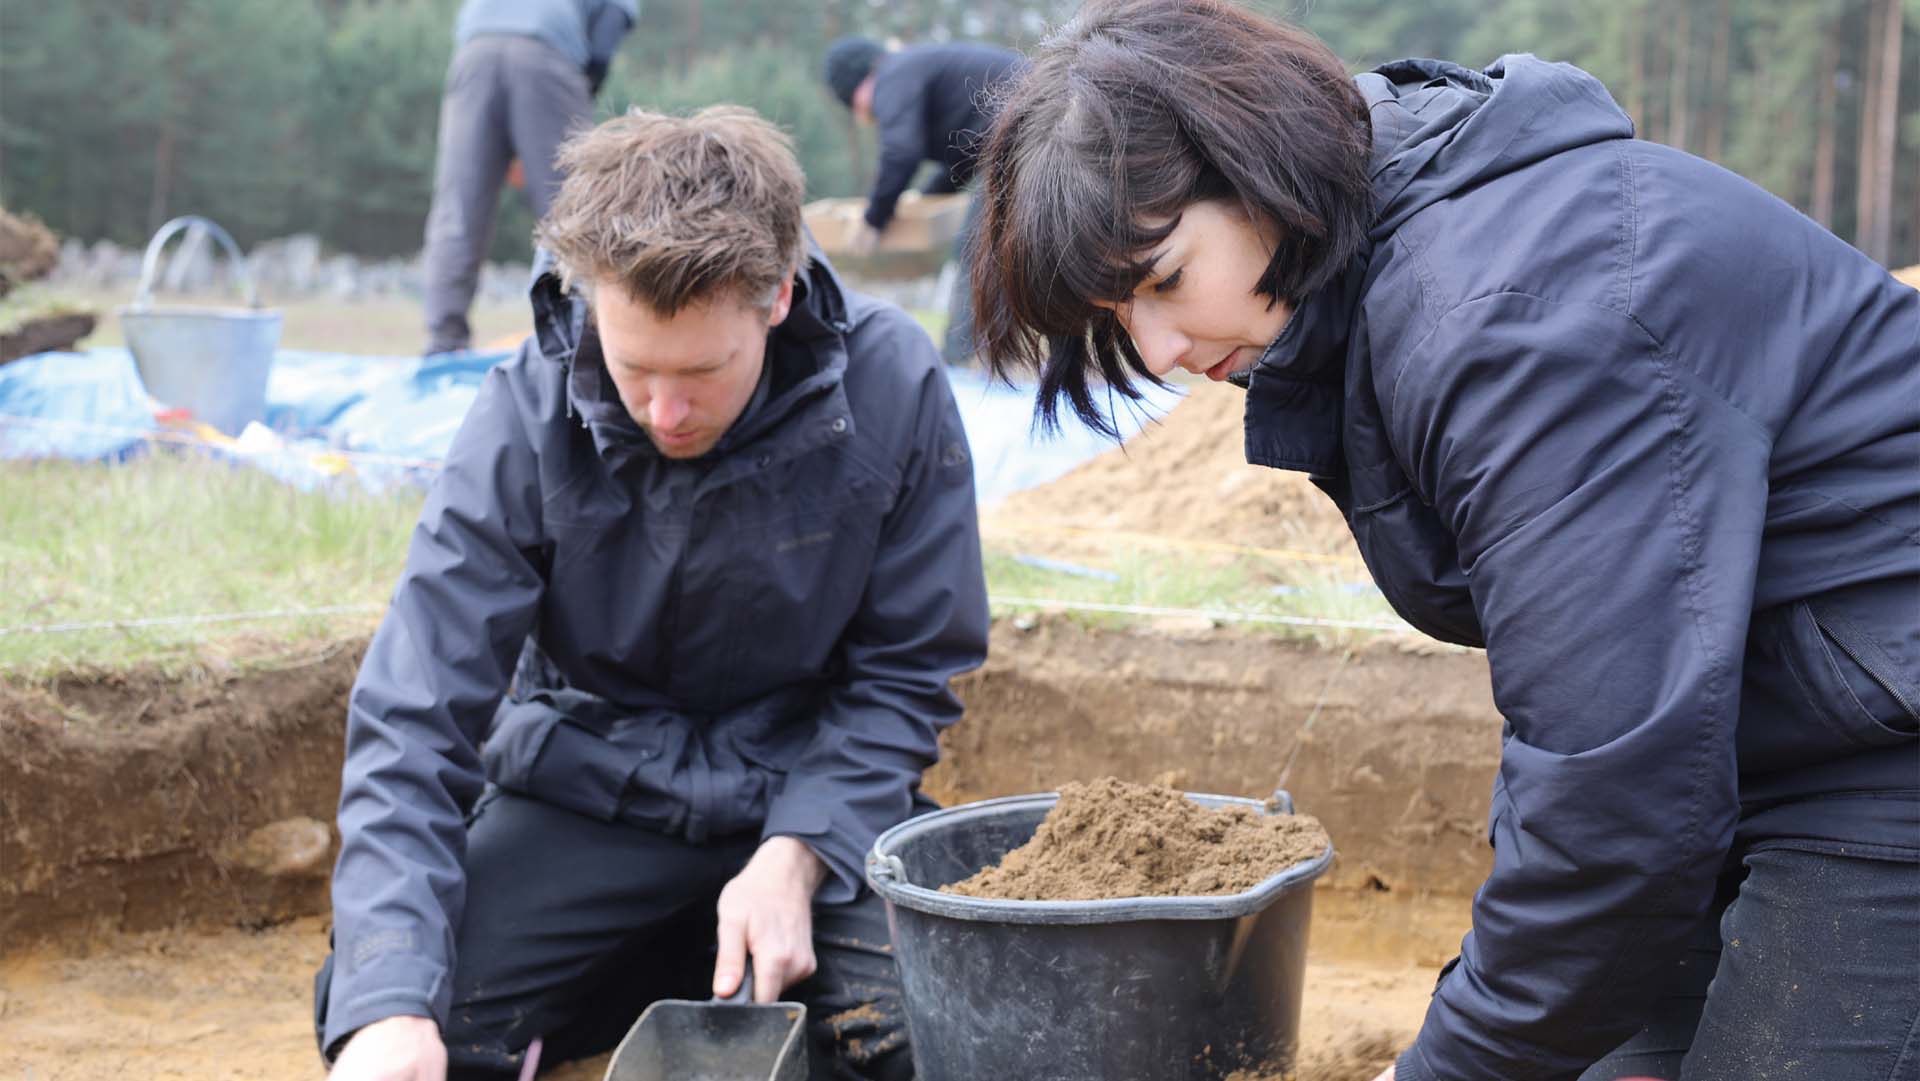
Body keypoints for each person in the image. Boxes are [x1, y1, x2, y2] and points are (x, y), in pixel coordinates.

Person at [967, 2, 1920, 1080]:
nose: (1160, 348)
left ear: (1261, 166)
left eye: (1167, 280)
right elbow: (1587, 705)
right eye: (1116, 315)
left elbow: (1614, 791)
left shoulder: (1512, 316)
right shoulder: (1385, 291)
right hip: (1766, 733)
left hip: (1888, 736)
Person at [317, 105, 989, 1081]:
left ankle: (735, 970)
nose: (666, 412)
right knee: (415, 1019)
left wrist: (801, 850)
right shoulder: (524, 408)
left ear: (777, 299)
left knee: (944, 1029)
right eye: (635, 368)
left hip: (808, 796)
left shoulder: (892, 385)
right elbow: (416, 712)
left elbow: (906, 669)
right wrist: (387, 1002)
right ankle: (649, 977)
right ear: (590, 300)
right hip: (591, 791)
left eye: (703, 372)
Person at [421, 0, 638, 356]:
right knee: (572, 210)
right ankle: (580, 344)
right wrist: (581, 89)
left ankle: (444, 344)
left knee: (458, 209)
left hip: (475, 50)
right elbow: (612, 21)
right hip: (546, 53)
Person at [823, 35, 1024, 364]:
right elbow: (967, 152)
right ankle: (977, 356)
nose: (863, 115)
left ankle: (960, 365)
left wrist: (874, 218)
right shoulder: (915, 68)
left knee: (978, 253)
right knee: (998, 250)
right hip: (1030, 128)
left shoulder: (891, 75)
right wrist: (927, 197)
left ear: (857, 88)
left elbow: (901, 152)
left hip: (1026, 133)